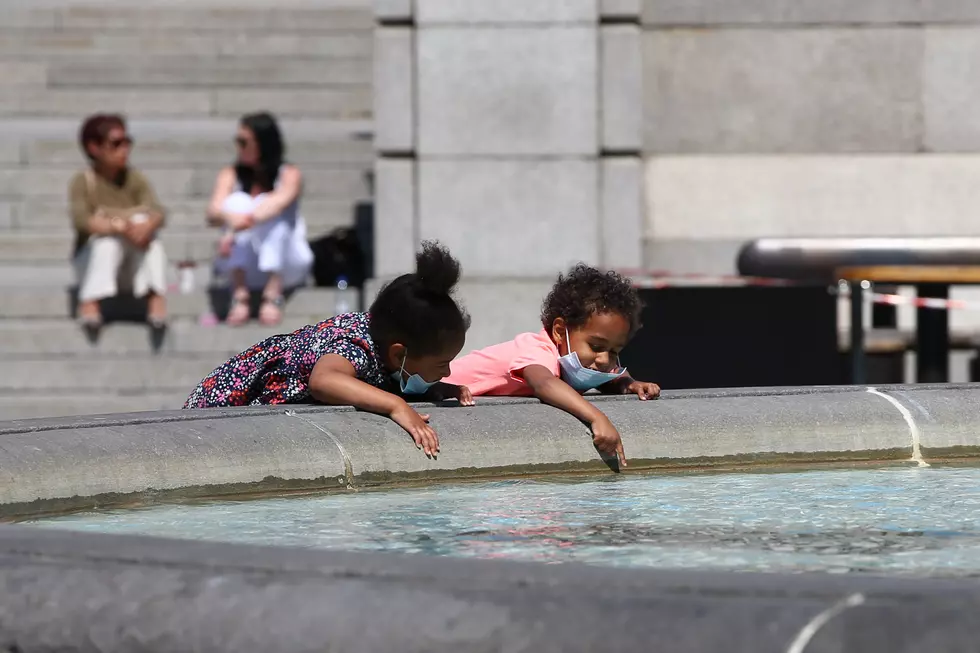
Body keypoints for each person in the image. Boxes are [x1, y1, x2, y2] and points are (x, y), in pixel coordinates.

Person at [183, 241, 473, 457]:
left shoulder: (386, 343)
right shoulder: (353, 344)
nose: (447, 371)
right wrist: (397, 405)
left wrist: (433, 389)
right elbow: (324, 381)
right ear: (399, 354)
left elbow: (388, 378)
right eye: (440, 365)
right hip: (220, 409)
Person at [445, 265, 661, 467]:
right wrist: (597, 417)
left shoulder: (581, 360)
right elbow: (544, 384)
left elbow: (610, 377)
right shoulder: (538, 349)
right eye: (595, 346)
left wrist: (629, 383)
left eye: (614, 351)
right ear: (559, 331)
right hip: (437, 387)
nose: (605, 359)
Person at [206, 111, 314, 326]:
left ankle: (272, 295)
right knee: (236, 200)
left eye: (243, 141)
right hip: (247, 262)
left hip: (286, 263)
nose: (238, 147)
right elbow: (213, 211)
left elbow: (277, 203)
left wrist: (235, 228)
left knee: (266, 207)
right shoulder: (231, 174)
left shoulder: (288, 173)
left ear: (262, 142)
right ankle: (240, 294)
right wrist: (231, 219)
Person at [68, 113, 168, 337]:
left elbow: (158, 212)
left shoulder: (135, 178)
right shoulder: (83, 181)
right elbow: (82, 221)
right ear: (94, 147)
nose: (124, 149)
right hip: (92, 260)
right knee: (108, 242)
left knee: (148, 232)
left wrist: (145, 226)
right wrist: (121, 227)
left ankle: (155, 297)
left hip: (130, 263)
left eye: (127, 142)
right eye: (116, 143)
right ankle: (90, 301)